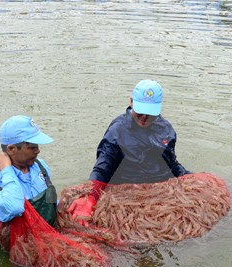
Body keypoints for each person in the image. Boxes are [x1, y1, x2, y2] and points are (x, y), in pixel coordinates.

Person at [68, 80, 191, 225]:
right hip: (127, 195)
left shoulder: (166, 129)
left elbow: (171, 163)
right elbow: (102, 169)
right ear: (131, 102)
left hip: (161, 193)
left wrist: (188, 178)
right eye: (141, 111)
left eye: (150, 112)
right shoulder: (117, 132)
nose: (145, 117)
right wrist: (90, 198)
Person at [0, 115, 57, 243]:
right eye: (31, 147)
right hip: (18, 250)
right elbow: (13, 208)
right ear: (11, 149)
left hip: (48, 237)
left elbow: (51, 203)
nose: (38, 151)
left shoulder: (41, 167)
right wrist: (6, 170)